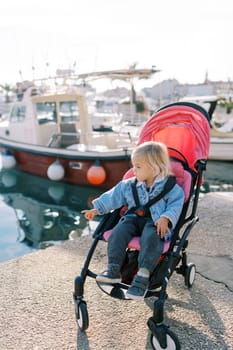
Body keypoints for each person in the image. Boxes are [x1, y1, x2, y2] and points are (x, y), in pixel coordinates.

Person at [82, 141, 185, 300]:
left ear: (154, 167)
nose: (133, 170)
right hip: (133, 218)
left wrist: (166, 217)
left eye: (138, 167)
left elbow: (175, 205)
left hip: (156, 222)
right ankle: (114, 268)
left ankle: (143, 276)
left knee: (152, 237)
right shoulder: (129, 185)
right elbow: (113, 196)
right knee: (119, 231)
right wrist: (96, 210)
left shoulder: (171, 188)